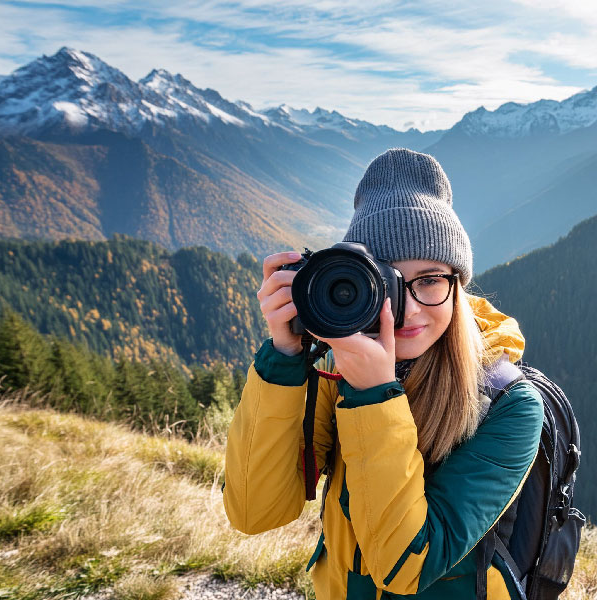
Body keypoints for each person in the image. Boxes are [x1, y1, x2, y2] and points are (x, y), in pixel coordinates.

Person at [223, 148, 543, 599]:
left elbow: (405, 569)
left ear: (458, 286)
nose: (409, 309)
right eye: (389, 283)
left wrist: (373, 396)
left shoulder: (510, 405)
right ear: (354, 285)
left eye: (431, 280)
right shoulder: (338, 373)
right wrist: (284, 356)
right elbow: (255, 512)